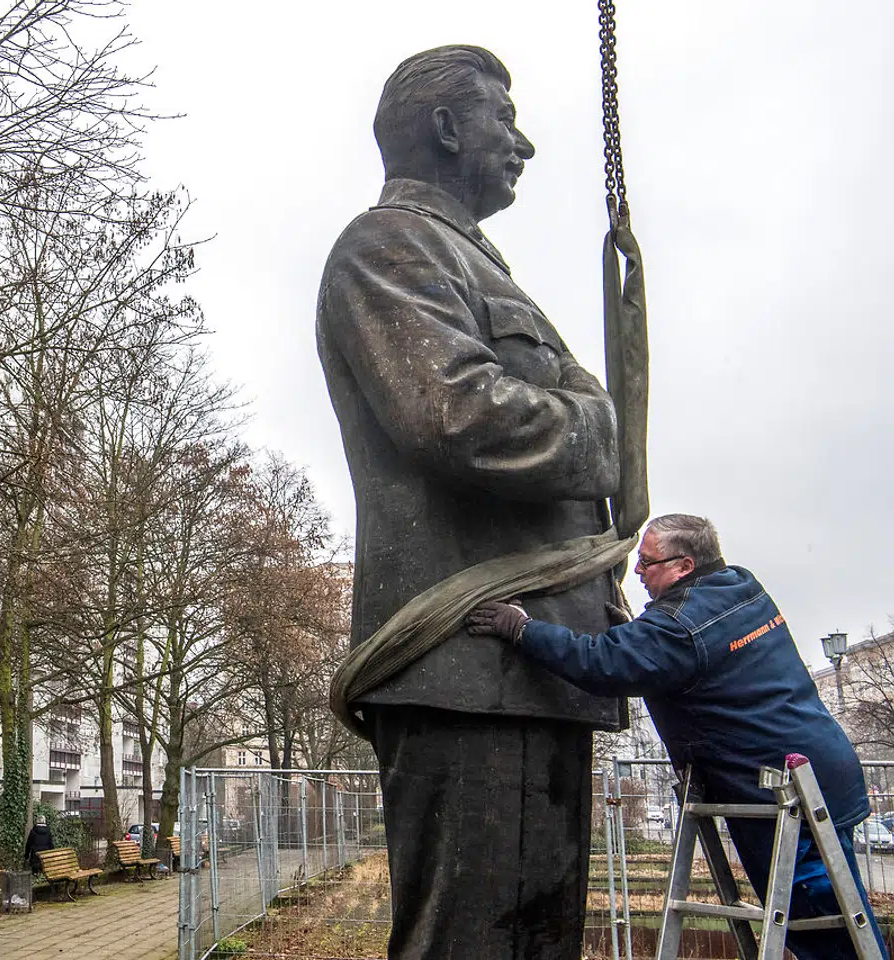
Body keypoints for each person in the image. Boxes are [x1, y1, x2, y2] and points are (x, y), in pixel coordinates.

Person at [317, 45, 625, 960]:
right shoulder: (387, 245)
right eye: (503, 117)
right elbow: (456, 414)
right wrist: (609, 433)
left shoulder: (469, 260)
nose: (522, 142)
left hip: (534, 671)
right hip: (465, 670)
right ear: (449, 128)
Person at [467, 514, 886, 960]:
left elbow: (600, 664)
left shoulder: (680, 626)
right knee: (838, 912)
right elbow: (690, 649)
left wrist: (523, 628)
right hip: (814, 772)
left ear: (684, 565)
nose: (639, 574)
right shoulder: (740, 586)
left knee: (820, 920)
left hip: (781, 791)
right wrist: (640, 632)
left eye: (647, 563)